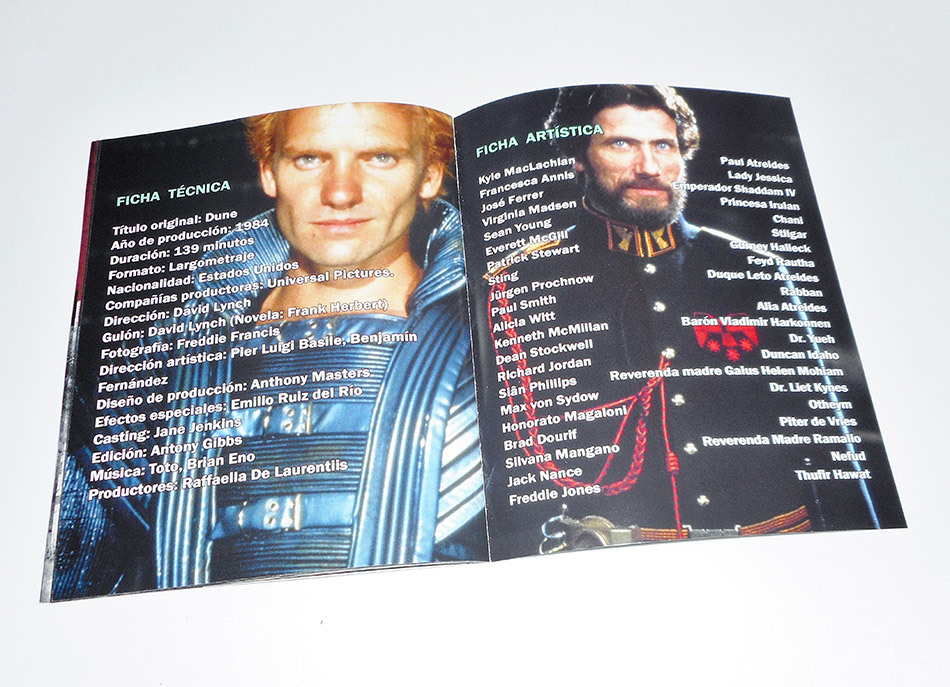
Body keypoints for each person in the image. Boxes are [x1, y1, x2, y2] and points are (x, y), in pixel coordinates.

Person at [52, 103, 486, 598]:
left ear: (430, 174)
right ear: (269, 171)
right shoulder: (162, 360)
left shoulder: (490, 349)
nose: (340, 192)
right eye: (309, 158)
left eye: (380, 157)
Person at [490, 86, 882, 553]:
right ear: (579, 158)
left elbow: (826, 439)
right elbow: (510, 455)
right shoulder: (523, 279)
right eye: (621, 144)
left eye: (663, 145)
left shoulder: (753, 268)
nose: (649, 167)